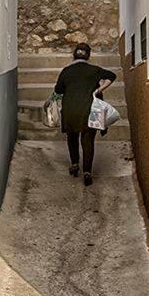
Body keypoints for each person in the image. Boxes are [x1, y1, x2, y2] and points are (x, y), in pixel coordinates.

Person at [52, 42, 116, 187]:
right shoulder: (94, 70)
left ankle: (74, 164)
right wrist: (100, 89)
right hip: (90, 110)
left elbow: (59, 90)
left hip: (70, 110)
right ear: (89, 56)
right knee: (88, 141)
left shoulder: (66, 71)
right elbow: (112, 76)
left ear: (74, 55)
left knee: (72, 138)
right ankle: (87, 172)